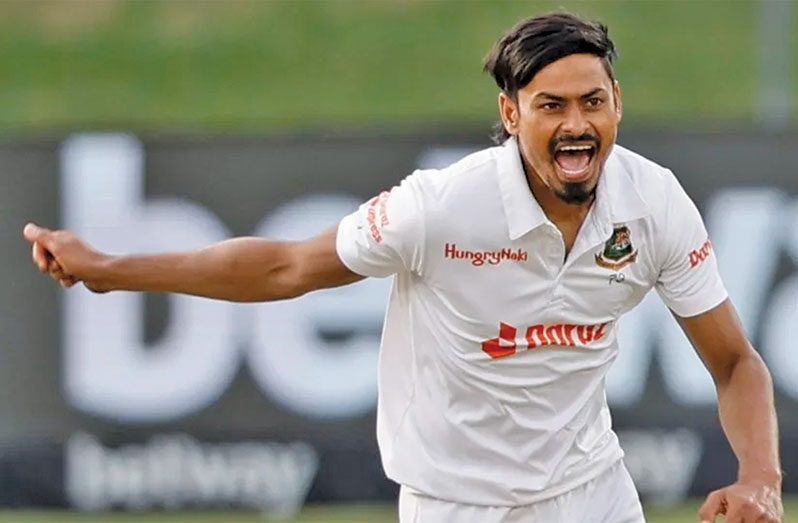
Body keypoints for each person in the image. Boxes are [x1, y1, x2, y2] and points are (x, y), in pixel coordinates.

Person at [23, 12, 782, 523]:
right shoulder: (441, 206)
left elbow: (735, 361)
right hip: (454, 501)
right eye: (551, 105)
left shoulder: (653, 202)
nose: (576, 124)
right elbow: (287, 264)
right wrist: (115, 269)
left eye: (592, 101)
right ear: (512, 114)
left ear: (618, 102)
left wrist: (760, 476)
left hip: (592, 491)